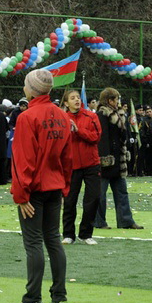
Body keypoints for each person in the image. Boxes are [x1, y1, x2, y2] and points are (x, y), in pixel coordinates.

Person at [8, 69, 74, 303]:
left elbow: (22, 160)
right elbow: (68, 157)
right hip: (55, 186)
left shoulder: (27, 117)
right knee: (53, 240)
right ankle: (59, 296)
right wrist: (65, 185)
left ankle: (32, 299)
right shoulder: (62, 116)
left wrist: (21, 195)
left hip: (34, 189)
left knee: (34, 243)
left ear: (31, 89)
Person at [94, 88, 143, 230]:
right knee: (101, 194)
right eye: (116, 99)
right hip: (107, 160)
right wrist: (105, 158)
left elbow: (123, 136)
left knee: (122, 192)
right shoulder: (101, 115)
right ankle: (99, 221)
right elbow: (102, 139)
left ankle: (126, 221)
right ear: (110, 100)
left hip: (118, 159)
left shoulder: (119, 115)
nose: (118, 102)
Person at [61, 89, 102, 245]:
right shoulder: (62, 118)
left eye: (78, 97)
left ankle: (85, 233)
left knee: (93, 199)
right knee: (70, 200)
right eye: (72, 98)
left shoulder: (91, 116)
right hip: (71, 165)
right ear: (66, 103)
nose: (77, 100)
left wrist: (79, 131)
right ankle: (68, 234)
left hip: (91, 164)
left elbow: (96, 137)